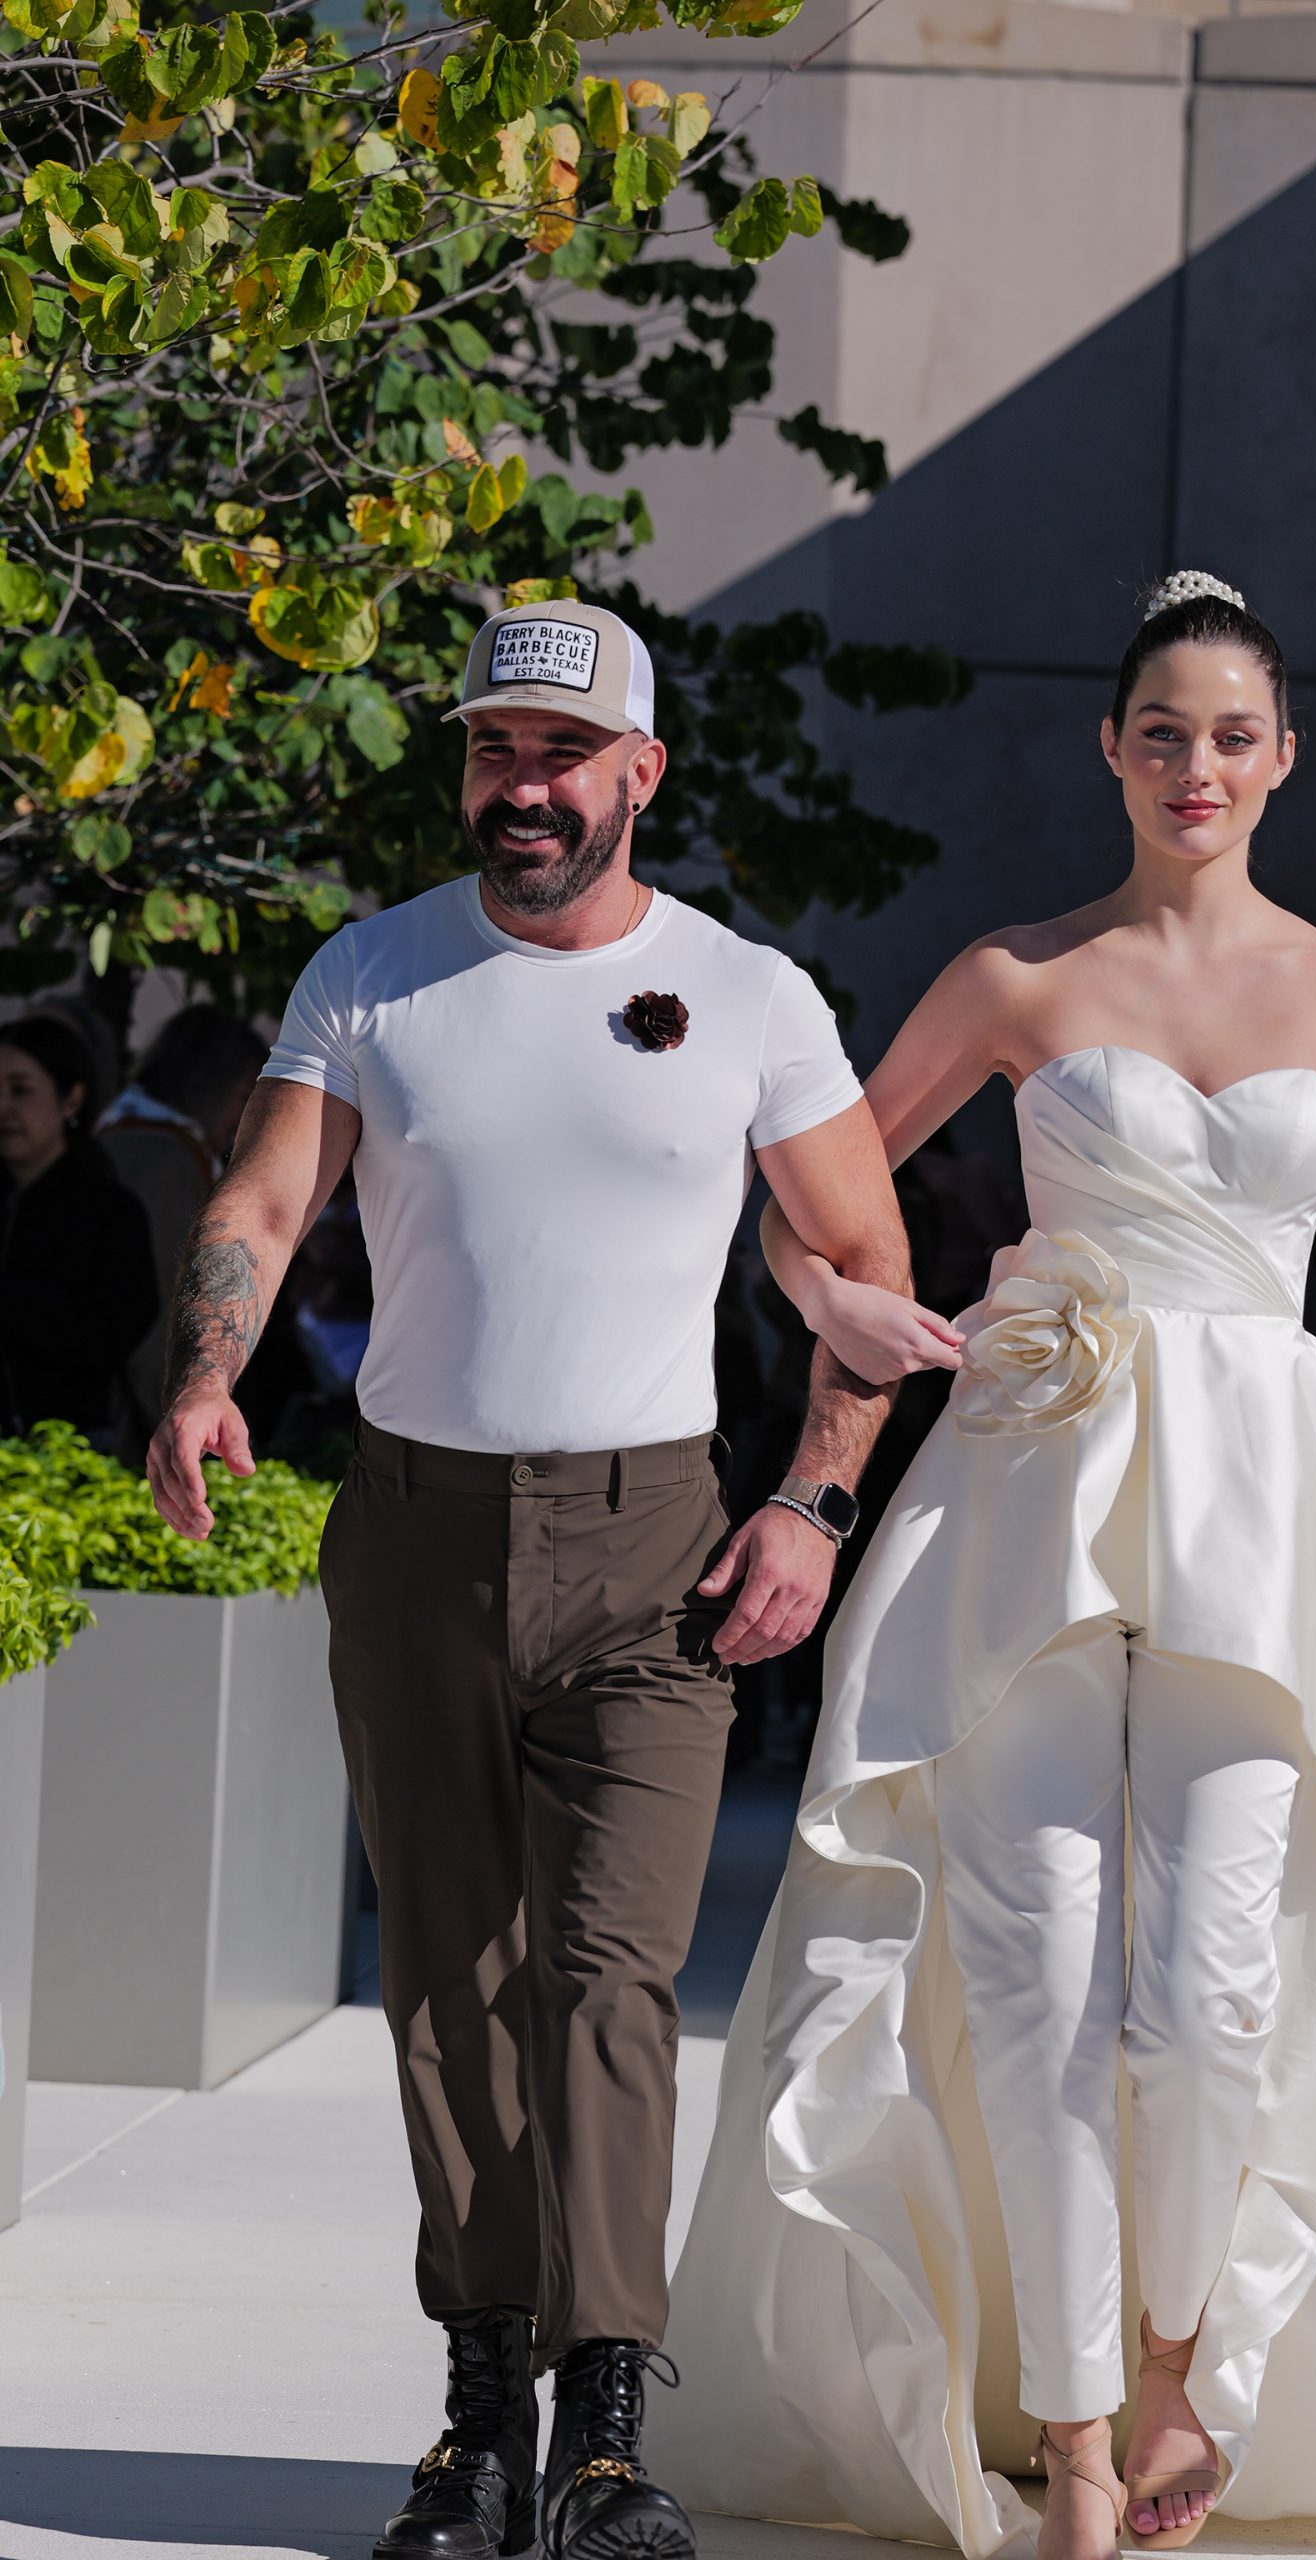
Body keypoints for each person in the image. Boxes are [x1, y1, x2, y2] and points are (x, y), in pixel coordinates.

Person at [651, 573, 1316, 2559]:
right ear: (1111, 748)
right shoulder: (1013, 975)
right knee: (1034, 1970)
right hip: (1030, 1489)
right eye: (1160, 731)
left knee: (1210, 1976)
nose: (1194, 766)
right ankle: (1075, 2453)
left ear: (1280, 757)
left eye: (1229, 735)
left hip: (1275, 1497)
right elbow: (806, 1211)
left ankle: (1186, 2364)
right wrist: (859, 1310)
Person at [144, 599, 912, 2560]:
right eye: (497, 749)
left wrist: (812, 1506)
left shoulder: (746, 996)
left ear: (640, 772)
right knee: (444, 1982)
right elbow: (264, 1192)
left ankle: (609, 2429)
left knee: (608, 1980)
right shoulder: (374, 974)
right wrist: (213, 1369)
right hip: (413, 1534)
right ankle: (480, 2412)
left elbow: (851, 1263)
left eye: (564, 756)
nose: (526, 787)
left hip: (653, 1537)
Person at [99, 1003, 269, 1456]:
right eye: (242, 1098)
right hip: (139, 1409)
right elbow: (163, 1291)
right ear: (211, 1085)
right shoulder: (167, 1159)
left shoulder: (119, 1134)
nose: (243, 1120)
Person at [0, 1014, 158, 1445]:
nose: (3, 1108)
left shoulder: (109, 1211)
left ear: (71, 1099)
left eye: (20, 1090)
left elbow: (114, 1332)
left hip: (71, 1444)